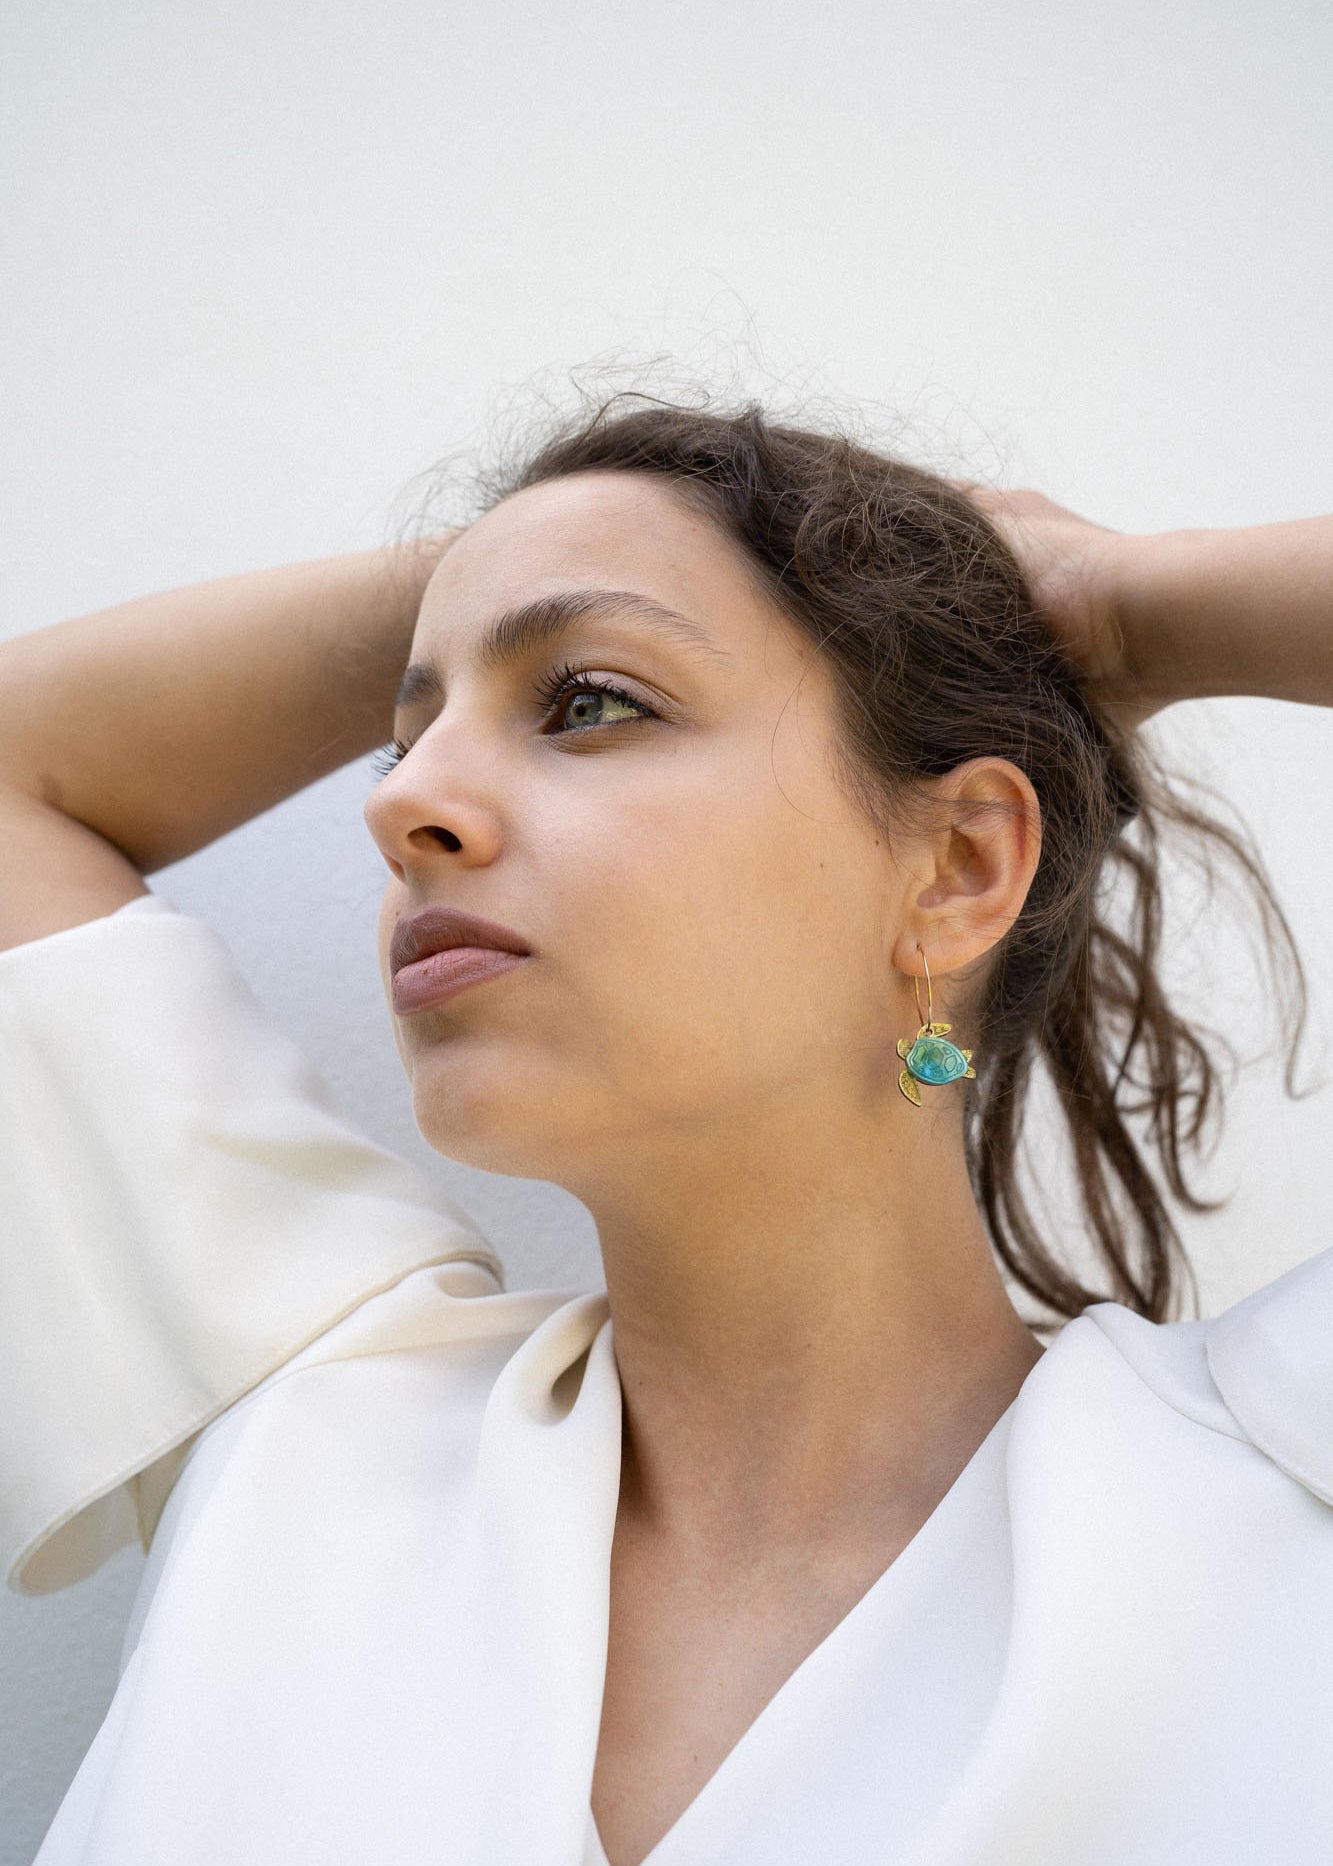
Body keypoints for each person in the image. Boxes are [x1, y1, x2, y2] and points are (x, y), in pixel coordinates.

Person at [1, 391, 1330, 1866]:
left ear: (957, 866)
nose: (406, 805)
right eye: (406, 737)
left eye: (588, 702)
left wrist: (1126, 610)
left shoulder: (1279, 1477)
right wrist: (525, 564)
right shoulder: (316, 1430)